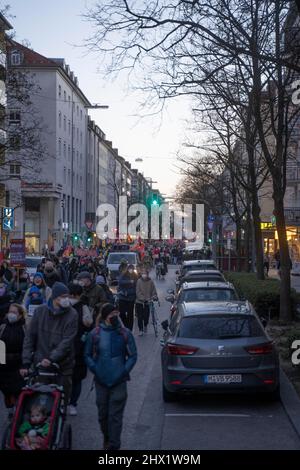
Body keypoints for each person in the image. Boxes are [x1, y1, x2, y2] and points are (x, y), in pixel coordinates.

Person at [85, 303, 137, 450]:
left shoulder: (125, 333)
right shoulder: (94, 334)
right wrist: (96, 369)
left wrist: (123, 371)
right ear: (105, 316)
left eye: (117, 314)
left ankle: (114, 446)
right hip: (101, 381)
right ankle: (107, 438)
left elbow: (133, 356)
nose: (115, 317)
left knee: (115, 417)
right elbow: (87, 355)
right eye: (111, 314)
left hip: (119, 382)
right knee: (103, 415)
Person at [20, 282, 78, 411]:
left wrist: (52, 359)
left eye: (67, 296)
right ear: (55, 297)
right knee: (39, 402)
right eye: (63, 296)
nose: (66, 299)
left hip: (63, 365)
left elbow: (67, 341)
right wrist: (26, 362)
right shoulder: (40, 311)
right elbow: (30, 338)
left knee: (60, 402)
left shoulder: (72, 314)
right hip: (41, 363)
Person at [68, 283, 93, 416]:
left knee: (76, 379)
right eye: (69, 295)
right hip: (63, 350)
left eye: (74, 295)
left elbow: (89, 326)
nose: (71, 298)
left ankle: (73, 403)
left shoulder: (83, 308)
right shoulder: (61, 307)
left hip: (78, 349)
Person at [0, 304, 26, 409]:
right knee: (5, 389)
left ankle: (16, 410)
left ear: (20, 315)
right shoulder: (2, 326)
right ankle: (10, 406)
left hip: (18, 364)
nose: (11, 314)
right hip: (3, 363)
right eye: (10, 312)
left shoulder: (24, 328)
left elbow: (27, 346)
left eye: (14, 312)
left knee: (16, 388)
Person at [135, 270, 158, 336]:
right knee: (140, 317)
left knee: (146, 316)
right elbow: (138, 292)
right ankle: (140, 330)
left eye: (145, 273)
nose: (144, 275)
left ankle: (145, 325)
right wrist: (143, 299)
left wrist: (154, 296)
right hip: (139, 302)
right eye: (143, 273)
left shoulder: (151, 282)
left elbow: (154, 291)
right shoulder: (139, 281)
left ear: (147, 274)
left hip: (148, 302)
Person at [118, 264, 137, 331]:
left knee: (130, 314)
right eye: (129, 268)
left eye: (132, 269)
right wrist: (129, 282)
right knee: (122, 313)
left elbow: (136, 286)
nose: (130, 270)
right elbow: (120, 282)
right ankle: (124, 325)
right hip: (122, 297)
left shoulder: (135, 276)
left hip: (131, 297)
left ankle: (129, 329)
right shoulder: (123, 274)